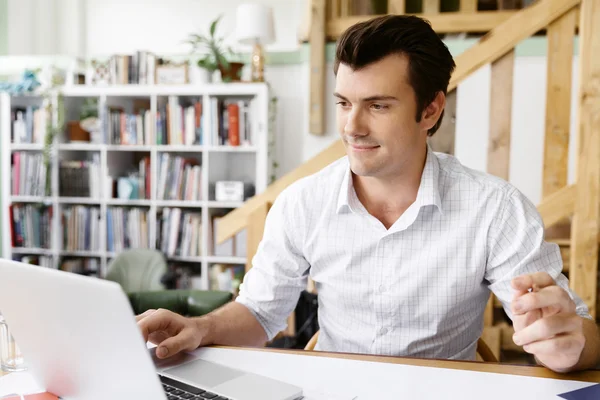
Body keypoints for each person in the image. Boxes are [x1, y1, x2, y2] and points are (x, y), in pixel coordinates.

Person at [137, 15, 600, 373]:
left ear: (430, 109)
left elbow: (578, 335)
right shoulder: (302, 203)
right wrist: (202, 328)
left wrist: (566, 343)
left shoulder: (495, 209)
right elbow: (259, 313)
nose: (351, 127)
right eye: (343, 103)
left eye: (377, 106)